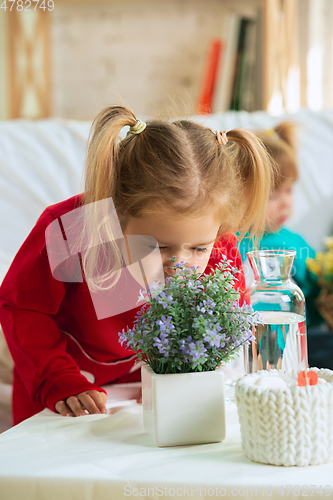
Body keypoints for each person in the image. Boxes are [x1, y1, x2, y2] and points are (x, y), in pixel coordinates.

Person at [0, 106, 273, 425]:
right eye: (158, 246)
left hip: (157, 392)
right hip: (64, 392)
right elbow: (23, 308)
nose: (180, 264)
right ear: (116, 216)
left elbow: (226, 324)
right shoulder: (72, 230)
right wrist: (58, 379)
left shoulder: (219, 244)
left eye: (199, 248)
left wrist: (178, 374)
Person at [238, 121, 322, 327]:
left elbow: (318, 298)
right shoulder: (233, 245)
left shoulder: (296, 243)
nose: (286, 203)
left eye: (289, 190)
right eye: (273, 196)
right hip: (251, 339)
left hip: (301, 338)